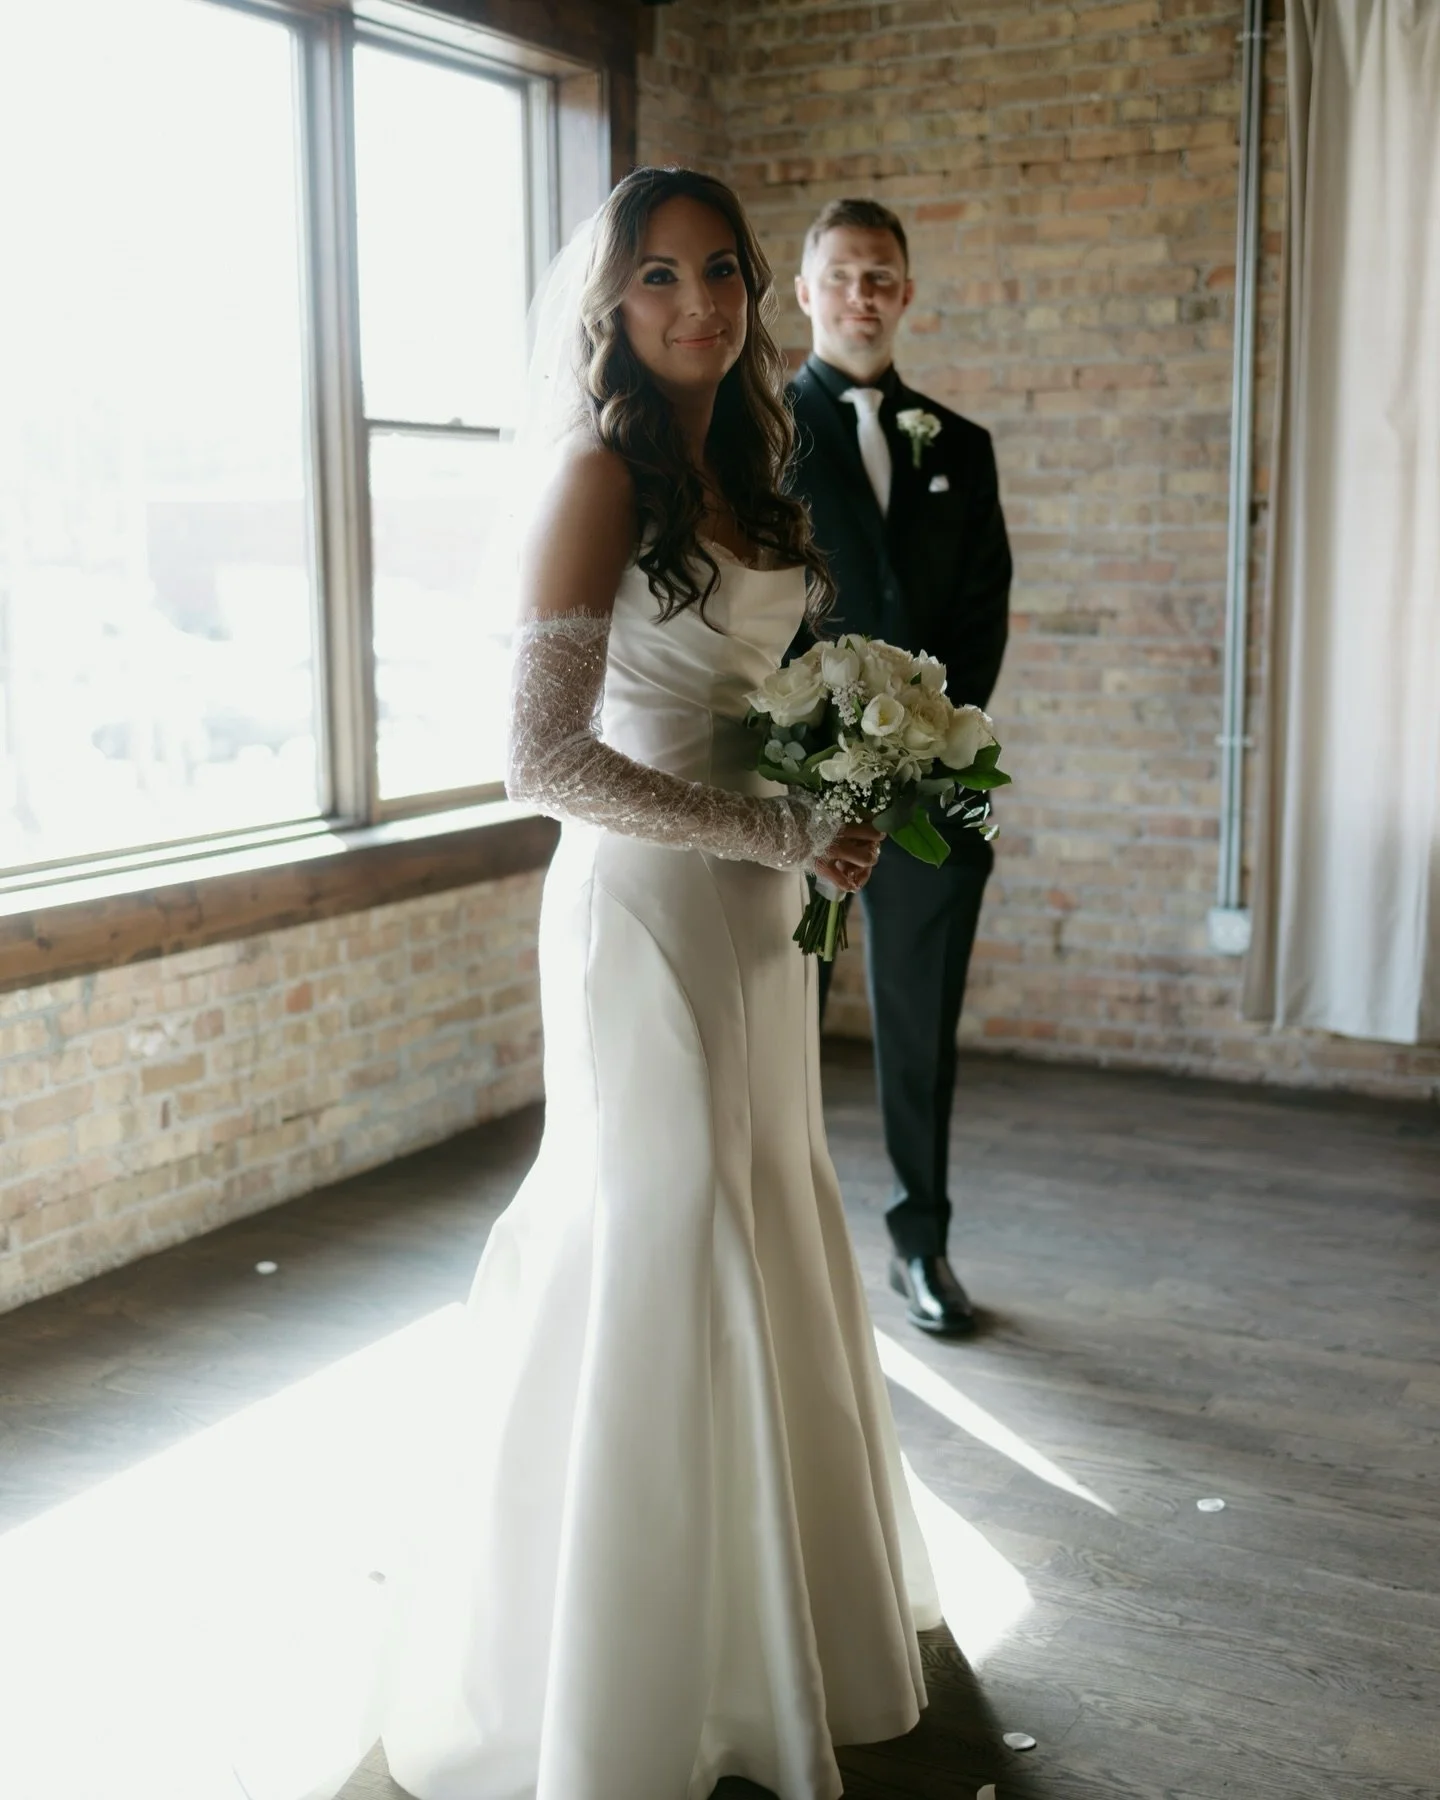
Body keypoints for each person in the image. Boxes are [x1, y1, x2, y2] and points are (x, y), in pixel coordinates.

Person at [376, 167, 941, 1800]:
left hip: (758, 914)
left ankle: (773, 1637)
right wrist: (773, 826)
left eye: (721, 272)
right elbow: (542, 758)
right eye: (659, 277)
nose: (698, 304)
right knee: (664, 1217)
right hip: (639, 909)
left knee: (768, 1203)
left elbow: (755, 701)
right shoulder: (594, 477)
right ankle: (614, 1668)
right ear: (610, 307)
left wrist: (829, 798)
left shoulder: (752, 473)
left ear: (756, 293)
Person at [787, 198, 1013, 1340]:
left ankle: (921, 1245)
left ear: (907, 294)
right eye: (841, 275)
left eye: (880, 276)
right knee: (779, 1026)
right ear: (804, 293)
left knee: (920, 1031)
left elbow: (981, 618)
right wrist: (813, 757)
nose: (861, 296)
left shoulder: (958, 447)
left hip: (928, 793)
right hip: (789, 792)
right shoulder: (758, 435)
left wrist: (916, 744)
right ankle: (785, 1252)